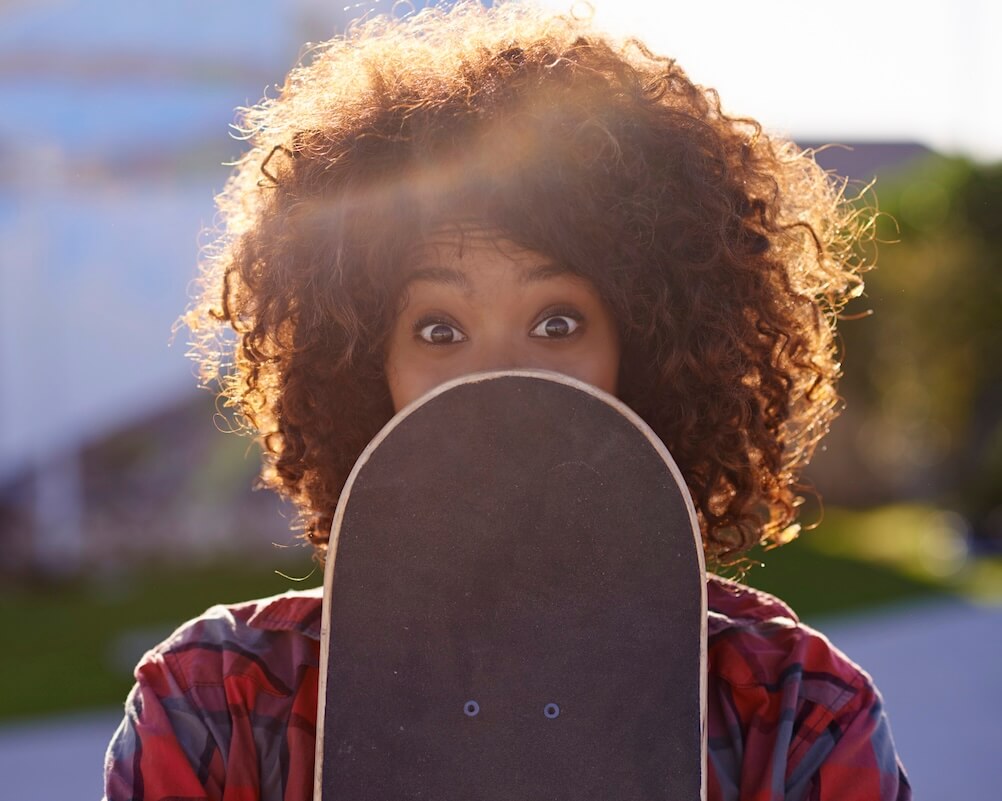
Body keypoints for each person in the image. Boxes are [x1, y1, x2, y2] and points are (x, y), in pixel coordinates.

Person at [104, 2, 910, 799]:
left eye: (557, 322)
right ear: (359, 370)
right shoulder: (216, 705)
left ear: (650, 354)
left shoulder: (798, 717)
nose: (497, 374)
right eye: (439, 330)